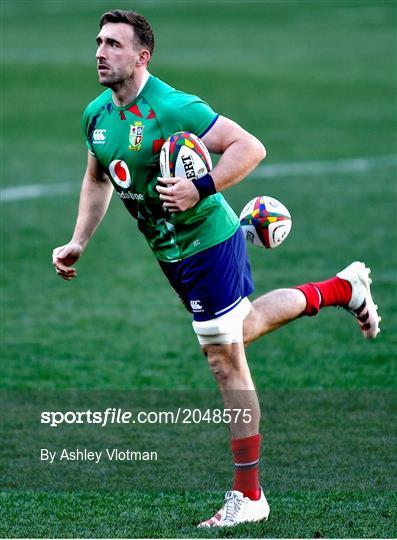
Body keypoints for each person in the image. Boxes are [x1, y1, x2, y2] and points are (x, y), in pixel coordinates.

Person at [52, 10, 381, 528]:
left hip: (208, 241)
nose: (99, 51)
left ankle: (249, 495)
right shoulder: (96, 115)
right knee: (240, 329)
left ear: (142, 56)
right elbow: (98, 178)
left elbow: (250, 147)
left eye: (114, 44)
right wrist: (78, 241)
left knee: (224, 360)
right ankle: (343, 288)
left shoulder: (173, 106)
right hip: (171, 254)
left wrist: (200, 188)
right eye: (98, 41)